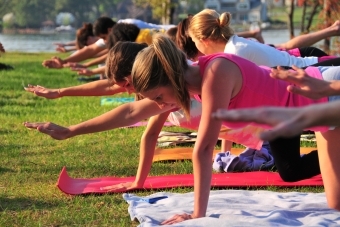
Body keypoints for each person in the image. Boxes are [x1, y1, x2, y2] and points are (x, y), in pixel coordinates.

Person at [25, 36, 340, 223]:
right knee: (335, 206)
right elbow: (131, 110)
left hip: (326, 90)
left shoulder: (216, 72)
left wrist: (197, 216)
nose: (160, 106)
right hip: (317, 114)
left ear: (171, 81)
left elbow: (202, 149)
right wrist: (70, 131)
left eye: (160, 98)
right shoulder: (188, 86)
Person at [211, 65, 340, 140]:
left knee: (290, 170)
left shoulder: (220, 66)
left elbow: (204, 148)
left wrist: (326, 88)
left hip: (320, 87)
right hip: (317, 106)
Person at [187, 9, 338, 68]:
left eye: (194, 41)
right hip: (309, 68)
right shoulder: (234, 45)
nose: (195, 45)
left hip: (314, 69)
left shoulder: (234, 53)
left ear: (204, 40)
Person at [43, 16, 116, 69]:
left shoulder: (122, 34)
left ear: (110, 30)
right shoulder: (112, 36)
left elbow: (109, 55)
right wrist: (63, 61)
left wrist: (86, 66)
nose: (105, 41)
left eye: (103, 37)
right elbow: (89, 50)